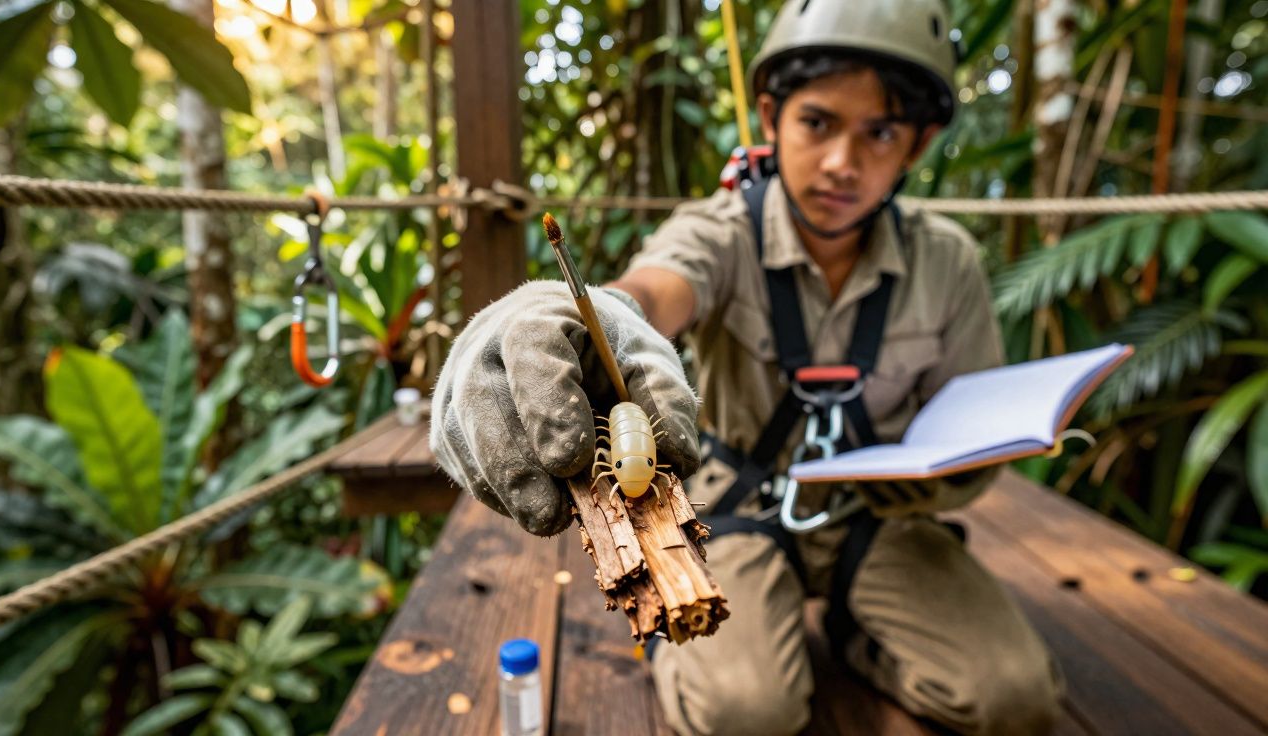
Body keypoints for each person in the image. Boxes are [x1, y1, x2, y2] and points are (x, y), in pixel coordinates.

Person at [430, 0, 1063, 733]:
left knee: (1018, 699)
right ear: (771, 115)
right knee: (746, 712)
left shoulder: (948, 260)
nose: (841, 163)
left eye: (880, 133)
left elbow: (971, 422)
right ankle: (702, 643)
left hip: (879, 518)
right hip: (737, 510)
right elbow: (651, 292)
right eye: (818, 122)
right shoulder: (720, 231)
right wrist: (572, 315)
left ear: (917, 145)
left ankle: (859, 635)